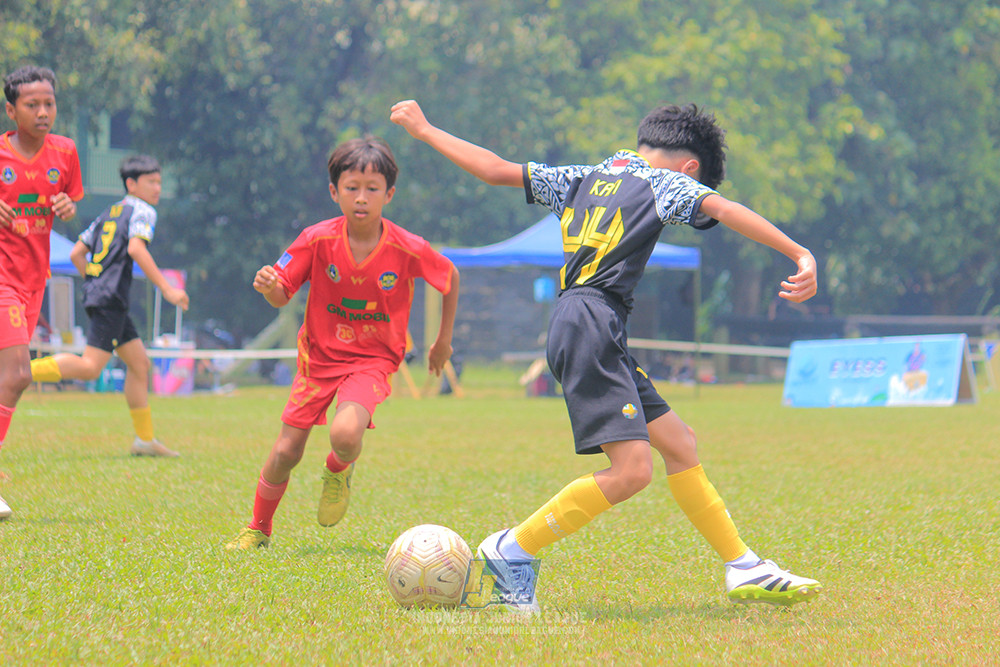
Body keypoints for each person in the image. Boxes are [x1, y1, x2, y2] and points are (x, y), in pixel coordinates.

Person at [390, 99, 823, 610]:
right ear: (691, 167)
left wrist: (425, 129)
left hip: (586, 324)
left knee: (680, 443)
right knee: (633, 471)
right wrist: (800, 253)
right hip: (593, 321)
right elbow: (724, 210)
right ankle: (511, 550)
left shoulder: (582, 176)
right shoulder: (668, 183)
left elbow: (493, 169)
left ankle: (742, 565)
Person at [226, 136, 460, 550]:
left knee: (346, 434)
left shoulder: (407, 246)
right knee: (286, 452)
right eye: (352, 188)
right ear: (334, 192)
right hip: (318, 357)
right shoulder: (316, 239)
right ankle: (258, 528)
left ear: (389, 194)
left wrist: (442, 342)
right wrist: (268, 288)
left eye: (372, 189)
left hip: (373, 358)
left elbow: (449, 277)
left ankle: (338, 470)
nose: (362, 198)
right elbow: (283, 292)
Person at [31, 154, 189, 457]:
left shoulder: (110, 212)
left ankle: (144, 440)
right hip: (111, 298)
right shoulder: (143, 210)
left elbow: (78, 252)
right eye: (151, 181)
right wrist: (168, 289)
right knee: (91, 367)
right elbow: (135, 248)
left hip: (104, 295)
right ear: (132, 184)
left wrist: (94, 279)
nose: (158, 187)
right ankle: (18, 372)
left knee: (139, 364)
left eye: (159, 181)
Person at [0, 65, 84, 520]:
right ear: (11, 110)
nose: (43, 111)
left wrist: (69, 206)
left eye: (49, 103)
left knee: (8, 378)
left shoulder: (65, 152)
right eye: (32, 104)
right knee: (17, 375)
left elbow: (69, 202)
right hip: (2, 280)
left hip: (34, 280)